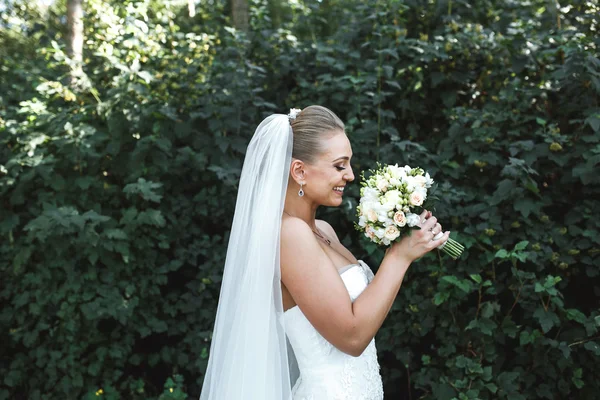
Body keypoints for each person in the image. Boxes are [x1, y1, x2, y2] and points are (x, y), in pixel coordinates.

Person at [199, 106, 450, 400]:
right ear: (300, 171)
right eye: (340, 165)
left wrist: (407, 237)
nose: (351, 175)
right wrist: (400, 256)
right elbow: (352, 337)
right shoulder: (289, 234)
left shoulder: (323, 230)